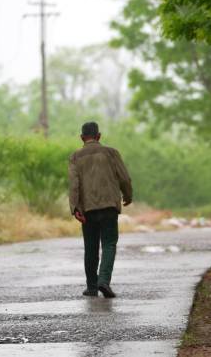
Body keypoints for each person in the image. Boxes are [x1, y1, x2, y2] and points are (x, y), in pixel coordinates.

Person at [68, 122, 133, 298]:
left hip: (87, 208)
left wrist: (75, 208)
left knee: (90, 247)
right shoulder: (111, 153)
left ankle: (91, 287)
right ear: (99, 136)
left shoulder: (75, 157)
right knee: (109, 244)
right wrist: (128, 195)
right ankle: (103, 281)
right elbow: (125, 178)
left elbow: (74, 185)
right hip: (109, 206)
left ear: (82, 138)